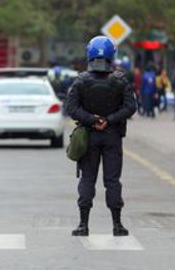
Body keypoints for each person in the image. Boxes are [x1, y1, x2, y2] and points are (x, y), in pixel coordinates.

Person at [65, 35, 136, 237]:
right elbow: (131, 107)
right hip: (112, 136)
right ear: (112, 55)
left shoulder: (81, 81)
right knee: (112, 181)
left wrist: (91, 119)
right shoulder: (120, 80)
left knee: (87, 179)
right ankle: (117, 225)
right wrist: (109, 120)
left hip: (88, 136)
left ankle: (83, 225)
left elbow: (71, 108)